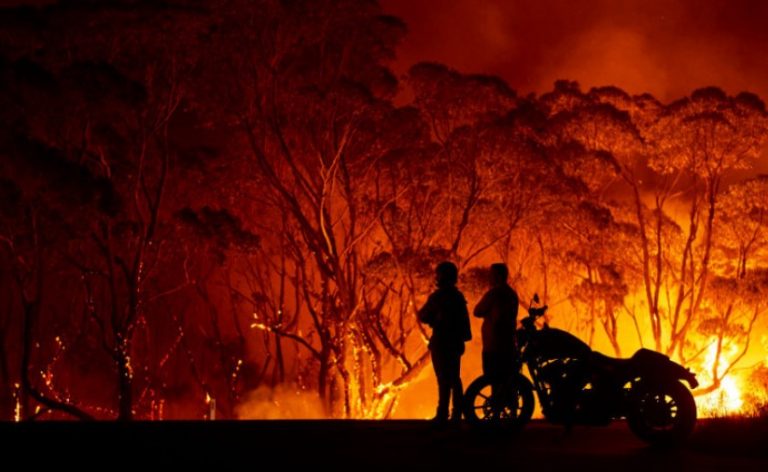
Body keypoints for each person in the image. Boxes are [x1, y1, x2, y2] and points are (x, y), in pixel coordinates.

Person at [417, 261, 472, 423]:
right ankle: (456, 413)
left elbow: (422, 315)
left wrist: (435, 318)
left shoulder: (438, 296)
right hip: (455, 342)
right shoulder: (458, 296)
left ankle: (442, 413)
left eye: (438, 274)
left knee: (443, 379)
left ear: (442, 276)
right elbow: (464, 321)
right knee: (455, 378)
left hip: (441, 341)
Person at [473, 263, 519, 409]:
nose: (489, 277)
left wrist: (488, 313)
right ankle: (512, 409)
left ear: (497, 276)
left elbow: (477, 311)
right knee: (508, 377)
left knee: (493, 378)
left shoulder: (493, 293)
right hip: (509, 343)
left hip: (493, 344)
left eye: (491, 274)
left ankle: (497, 410)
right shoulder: (512, 294)